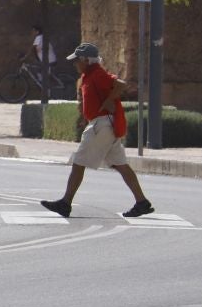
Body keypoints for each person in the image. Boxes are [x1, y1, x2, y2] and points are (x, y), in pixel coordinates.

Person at [40, 42, 153, 219]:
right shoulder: (88, 75)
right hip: (103, 124)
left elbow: (121, 85)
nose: (75, 63)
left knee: (78, 162)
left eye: (77, 60)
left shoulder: (97, 73)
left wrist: (110, 99)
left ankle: (65, 203)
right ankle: (142, 202)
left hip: (102, 125)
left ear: (86, 60)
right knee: (120, 165)